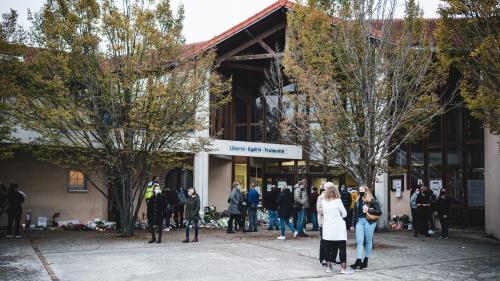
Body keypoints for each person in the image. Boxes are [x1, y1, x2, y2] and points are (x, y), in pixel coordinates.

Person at [319, 182, 354, 274]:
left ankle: (329, 268)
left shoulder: (323, 202)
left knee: (327, 248)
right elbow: (345, 213)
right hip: (338, 228)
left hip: (327, 227)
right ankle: (343, 269)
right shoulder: (338, 201)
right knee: (342, 248)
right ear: (336, 192)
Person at [350, 186, 381, 270]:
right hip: (359, 222)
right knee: (359, 241)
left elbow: (378, 211)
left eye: (362, 190)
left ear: (366, 191)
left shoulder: (372, 200)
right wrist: (352, 224)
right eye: (359, 190)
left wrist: (369, 210)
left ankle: (366, 260)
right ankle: (358, 260)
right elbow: (354, 213)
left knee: (368, 240)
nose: (360, 192)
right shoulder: (357, 200)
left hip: (369, 222)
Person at [317, 186, 327, 267]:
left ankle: (329, 258)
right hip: (323, 222)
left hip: (332, 223)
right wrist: (329, 211)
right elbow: (319, 210)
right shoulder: (320, 198)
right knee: (323, 240)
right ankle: (322, 258)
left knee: (331, 241)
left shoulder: (335, 197)